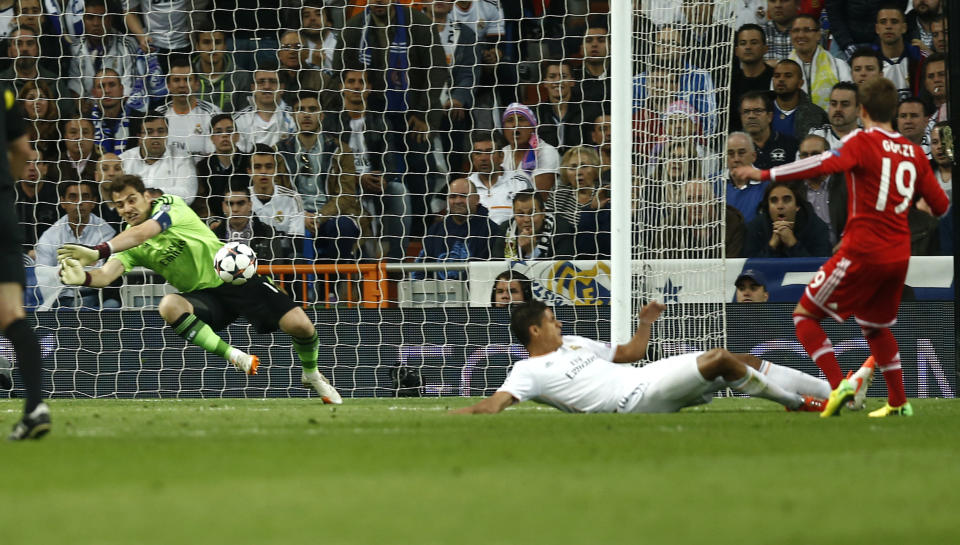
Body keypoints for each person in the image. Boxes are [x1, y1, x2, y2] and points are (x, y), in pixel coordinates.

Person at [732, 77, 950, 417]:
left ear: (862, 110)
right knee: (875, 328)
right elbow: (939, 206)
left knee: (805, 316)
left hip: (863, 250)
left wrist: (763, 175)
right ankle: (898, 402)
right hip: (897, 257)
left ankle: (838, 386)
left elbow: (819, 164)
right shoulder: (913, 152)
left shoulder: (862, 141)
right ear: (894, 111)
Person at [56, 174, 343, 403]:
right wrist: (83, 278)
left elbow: (146, 231)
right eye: (119, 205)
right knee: (169, 305)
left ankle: (311, 373)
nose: (127, 208)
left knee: (302, 327)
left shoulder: (169, 205)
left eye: (132, 199)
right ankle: (235, 356)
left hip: (236, 279)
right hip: (206, 298)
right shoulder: (128, 241)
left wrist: (97, 250)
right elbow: (107, 275)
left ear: (147, 196)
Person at [452, 300, 858, 414]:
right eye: (552, 321)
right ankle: (802, 404)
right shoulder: (527, 369)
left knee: (741, 360)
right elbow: (495, 405)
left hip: (643, 376)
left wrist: (645, 323)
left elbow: (630, 354)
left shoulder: (573, 342)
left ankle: (839, 392)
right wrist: (462, 415)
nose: (560, 325)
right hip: (633, 402)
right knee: (717, 360)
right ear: (534, 331)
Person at [1, 84, 50, 439]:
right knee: (13, 315)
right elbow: (22, 149)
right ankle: (35, 407)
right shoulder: (3, 96)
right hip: (2, 209)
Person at [34, 180, 116, 308]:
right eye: (73, 197)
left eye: (85, 197)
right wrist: (86, 264)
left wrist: (63, 269)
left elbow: (101, 273)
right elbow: (43, 276)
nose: (79, 202)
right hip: (57, 298)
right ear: (63, 202)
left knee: (112, 305)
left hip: (93, 296)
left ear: (94, 202)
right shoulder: (50, 236)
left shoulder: (106, 232)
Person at [412, 177, 503, 280]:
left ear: (476, 199)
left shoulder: (492, 231)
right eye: (453, 196)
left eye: (464, 196)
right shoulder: (435, 230)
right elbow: (420, 269)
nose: (458, 201)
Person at [119, 112, 198, 204]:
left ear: (167, 134)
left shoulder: (182, 158)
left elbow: (188, 195)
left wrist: (156, 193)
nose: (156, 136)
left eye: (161, 131)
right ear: (139, 137)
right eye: (149, 131)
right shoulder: (124, 160)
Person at [155, 55, 222, 157]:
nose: (182, 85)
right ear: (168, 86)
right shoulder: (158, 115)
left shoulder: (213, 113)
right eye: (177, 80)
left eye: (187, 80)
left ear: (196, 84)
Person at [744, 180, 832, 258]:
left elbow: (819, 269)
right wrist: (772, 245)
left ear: (797, 206)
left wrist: (793, 243)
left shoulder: (817, 228)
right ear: (768, 206)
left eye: (786, 200)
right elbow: (748, 269)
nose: (780, 206)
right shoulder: (755, 228)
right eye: (774, 201)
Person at [210, 183, 294, 263]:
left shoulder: (269, 234)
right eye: (230, 204)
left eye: (241, 203)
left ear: (250, 205)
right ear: (223, 207)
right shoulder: (213, 236)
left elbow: (275, 271)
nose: (235, 209)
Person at [786, 14, 852, 110]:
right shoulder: (781, 71)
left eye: (807, 30)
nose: (800, 35)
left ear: (818, 35)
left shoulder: (839, 66)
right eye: (796, 30)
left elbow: (849, 101)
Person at [466, 130, 530, 226]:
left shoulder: (520, 184)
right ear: (472, 158)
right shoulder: (465, 186)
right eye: (478, 153)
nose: (483, 158)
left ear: (501, 156)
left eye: (489, 152)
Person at [494, 190, 576, 260]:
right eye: (520, 214)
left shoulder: (562, 231)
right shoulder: (505, 230)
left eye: (532, 213)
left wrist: (532, 251)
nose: (526, 219)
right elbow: (496, 265)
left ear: (543, 213)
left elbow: (560, 271)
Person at [796, 135, 847, 247]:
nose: (809, 159)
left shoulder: (845, 183)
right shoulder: (793, 187)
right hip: (804, 256)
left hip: (843, 253)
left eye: (815, 154)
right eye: (804, 155)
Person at [500, 102, 560, 192]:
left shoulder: (547, 152)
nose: (515, 125)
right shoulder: (501, 153)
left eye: (521, 119)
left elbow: (540, 196)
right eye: (510, 120)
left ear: (533, 126)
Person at [872, 4, 927, 100]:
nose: (888, 26)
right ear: (877, 29)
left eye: (894, 22)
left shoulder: (920, 58)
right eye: (883, 22)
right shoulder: (869, 60)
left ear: (904, 28)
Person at [730, 23, 774, 132]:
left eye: (754, 42)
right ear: (736, 51)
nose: (748, 47)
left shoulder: (775, 78)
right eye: (743, 43)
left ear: (765, 49)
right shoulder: (730, 82)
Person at [739, 90, 798, 170]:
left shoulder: (791, 145)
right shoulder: (734, 148)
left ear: (769, 116)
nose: (751, 116)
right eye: (746, 112)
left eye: (758, 111)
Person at [771, 59, 828, 140]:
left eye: (788, 76)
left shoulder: (816, 114)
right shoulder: (761, 109)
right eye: (777, 76)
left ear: (800, 83)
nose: (781, 79)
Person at [725, 131, 765, 223]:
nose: (736, 159)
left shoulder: (766, 184)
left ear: (753, 156)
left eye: (741, 153)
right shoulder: (713, 183)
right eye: (731, 154)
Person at [809, 82, 861, 149]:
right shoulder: (816, 136)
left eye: (845, 104)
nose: (838, 109)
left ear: (859, 109)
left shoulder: (871, 138)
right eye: (833, 104)